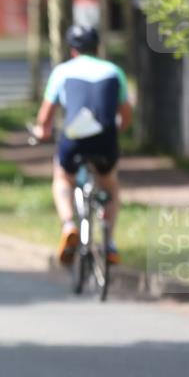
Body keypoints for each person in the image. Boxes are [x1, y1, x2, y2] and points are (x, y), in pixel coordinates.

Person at [33, 25, 133, 266]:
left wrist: (41, 131)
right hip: (106, 139)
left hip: (74, 138)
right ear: (97, 47)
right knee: (110, 185)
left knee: (62, 178)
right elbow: (126, 114)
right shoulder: (114, 71)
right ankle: (108, 242)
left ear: (72, 50)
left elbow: (46, 115)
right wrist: (118, 130)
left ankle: (68, 225)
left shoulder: (62, 72)